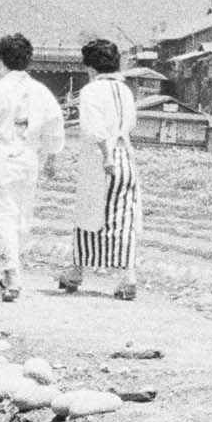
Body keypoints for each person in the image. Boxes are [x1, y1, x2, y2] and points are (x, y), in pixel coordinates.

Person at [0, 32, 64, 302]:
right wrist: (50, 157)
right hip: (28, 159)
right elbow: (55, 128)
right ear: (28, 60)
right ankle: (11, 269)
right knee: (20, 217)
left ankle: (11, 272)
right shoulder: (42, 91)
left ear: (0, 60)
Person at [59, 38, 142, 300]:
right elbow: (129, 125)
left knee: (89, 213)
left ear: (91, 67)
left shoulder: (91, 91)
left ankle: (76, 271)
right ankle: (127, 276)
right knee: (123, 217)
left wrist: (106, 157)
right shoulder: (126, 91)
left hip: (101, 159)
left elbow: (94, 129)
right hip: (125, 156)